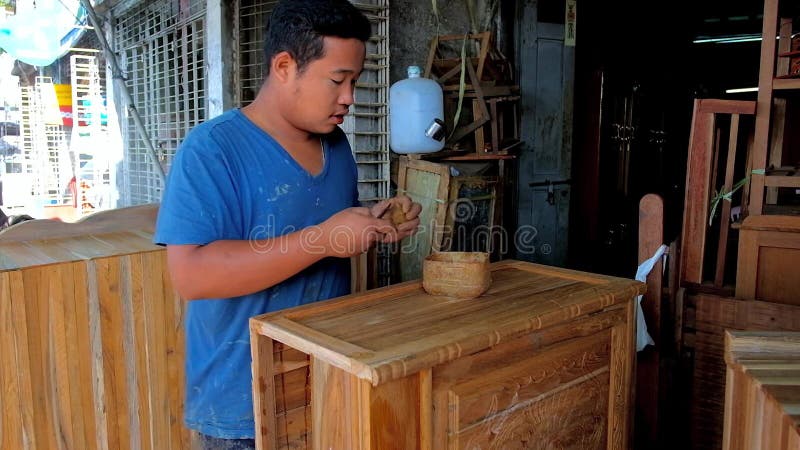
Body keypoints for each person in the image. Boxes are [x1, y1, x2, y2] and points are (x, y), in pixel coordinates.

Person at [153, 1, 421, 448]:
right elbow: (192, 274)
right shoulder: (212, 150)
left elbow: (320, 231)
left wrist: (369, 223)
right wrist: (324, 238)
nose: (349, 97)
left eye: (355, 81)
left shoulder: (336, 146)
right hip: (244, 409)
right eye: (338, 80)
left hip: (326, 385)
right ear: (284, 66)